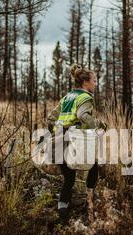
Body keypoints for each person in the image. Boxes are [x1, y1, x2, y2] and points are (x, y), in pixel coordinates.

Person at [46, 64, 107, 223]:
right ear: (85, 83)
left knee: (69, 178)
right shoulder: (86, 97)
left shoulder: (67, 97)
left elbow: (50, 119)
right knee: (93, 164)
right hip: (74, 142)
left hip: (58, 142)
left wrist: (57, 131)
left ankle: (62, 208)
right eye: (94, 80)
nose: (96, 83)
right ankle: (90, 200)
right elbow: (82, 115)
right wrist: (99, 124)